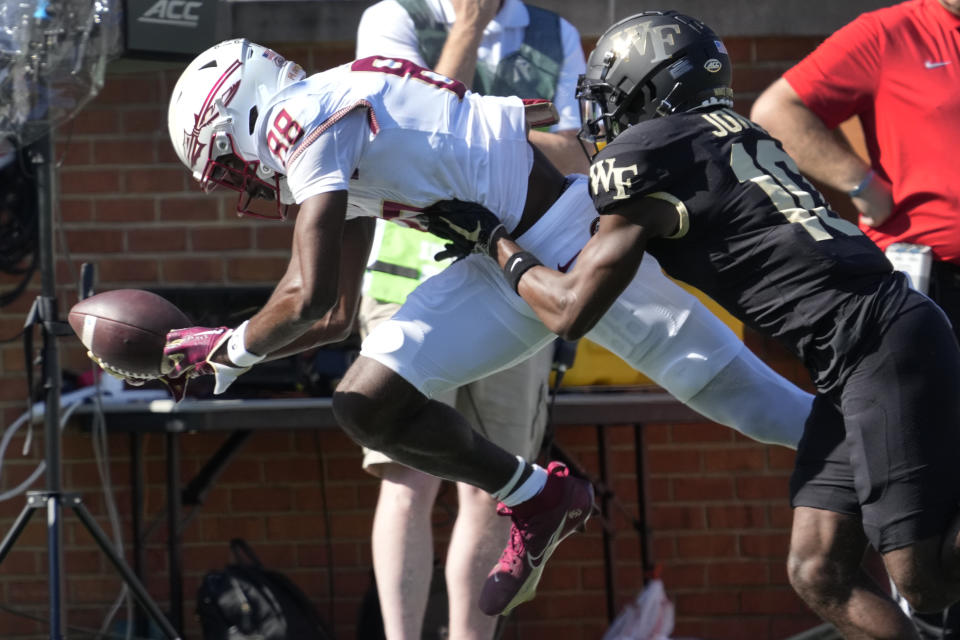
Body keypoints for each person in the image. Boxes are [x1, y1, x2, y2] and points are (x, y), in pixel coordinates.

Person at [151, 37, 814, 617]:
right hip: (497, 258)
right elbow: (333, 315)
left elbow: (305, 292)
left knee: (756, 404)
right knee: (366, 399)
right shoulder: (342, 110)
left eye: (228, 162)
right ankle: (539, 496)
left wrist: (225, 351)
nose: (245, 182)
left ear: (243, 112)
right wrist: (232, 359)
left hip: (564, 241)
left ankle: (882, 442)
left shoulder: (303, 115)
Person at [423, 10, 960, 637]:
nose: (606, 115)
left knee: (922, 579)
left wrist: (493, 242)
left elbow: (571, 308)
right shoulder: (727, 133)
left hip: (874, 347)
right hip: (866, 346)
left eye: (615, 96)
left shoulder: (650, 152)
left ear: (653, 88)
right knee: (819, 572)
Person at [353, 1, 583, 637]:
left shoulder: (554, 33)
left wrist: (475, 143)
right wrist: (467, 29)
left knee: (497, 480)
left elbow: (577, 152)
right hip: (408, 280)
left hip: (517, 283)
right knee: (408, 477)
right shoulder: (391, 19)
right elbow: (397, 130)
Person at [749, 3, 960, 634]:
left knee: (924, 575)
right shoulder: (892, 31)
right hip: (912, 294)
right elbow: (774, 110)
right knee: (823, 568)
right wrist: (861, 181)